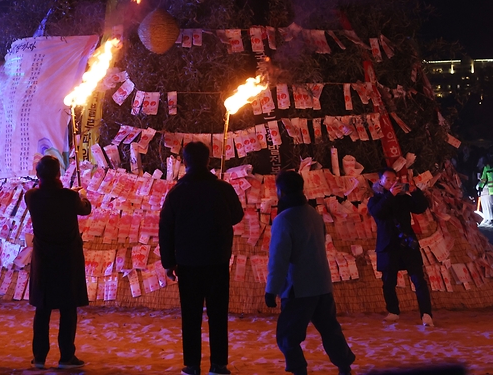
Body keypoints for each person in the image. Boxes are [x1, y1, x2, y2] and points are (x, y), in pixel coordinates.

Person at [159, 142, 244, 375]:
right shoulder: (222, 189)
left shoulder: (177, 192)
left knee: (191, 314)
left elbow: (165, 228)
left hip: (187, 263)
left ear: (185, 162)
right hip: (217, 260)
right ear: (208, 160)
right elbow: (237, 215)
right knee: (218, 313)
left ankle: (192, 364)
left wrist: (168, 262)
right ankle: (218, 364)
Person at [265, 170, 355, 375]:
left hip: (299, 287)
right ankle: (344, 367)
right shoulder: (313, 214)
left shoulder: (284, 220)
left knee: (288, 335)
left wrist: (272, 289)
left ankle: (299, 371)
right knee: (330, 329)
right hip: (321, 284)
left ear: (281, 190)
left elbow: (279, 258)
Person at [25, 155, 92, 370]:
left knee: (42, 309)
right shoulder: (69, 197)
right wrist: (82, 195)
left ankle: (39, 357)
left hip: (44, 258)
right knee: (68, 307)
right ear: (58, 174)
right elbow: (85, 209)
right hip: (67, 258)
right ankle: (66, 356)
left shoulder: (31, 196)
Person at [367, 168, 434, 326]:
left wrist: (415, 191)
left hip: (407, 243)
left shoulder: (403, 198)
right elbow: (378, 212)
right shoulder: (375, 200)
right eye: (388, 179)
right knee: (388, 281)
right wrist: (390, 195)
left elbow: (420, 207)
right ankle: (393, 311)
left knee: (418, 279)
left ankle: (426, 314)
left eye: (394, 179)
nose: (392, 182)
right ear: (381, 181)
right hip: (388, 245)